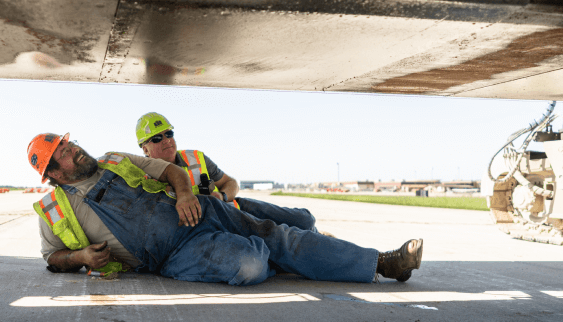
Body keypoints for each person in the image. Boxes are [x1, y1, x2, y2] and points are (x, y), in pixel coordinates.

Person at [28, 132, 423, 286]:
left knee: (280, 234)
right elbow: (53, 257)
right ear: (53, 174)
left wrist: (184, 194)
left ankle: (383, 263)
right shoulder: (54, 209)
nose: (74, 149)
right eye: (63, 153)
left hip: (202, 211)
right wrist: (79, 256)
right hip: (174, 254)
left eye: (70, 142)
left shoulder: (114, 158)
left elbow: (170, 170)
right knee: (250, 266)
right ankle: (294, 257)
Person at [135, 112, 324, 234]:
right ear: (145, 150)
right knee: (281, 236)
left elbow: (231, 182)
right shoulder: (144, 178)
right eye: (157, 138)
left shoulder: (196, 158)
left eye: (169, 134)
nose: (166, 140)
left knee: (304, 219)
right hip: (223, 227)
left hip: (237, 207)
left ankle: (314, 234)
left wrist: (222, 195)